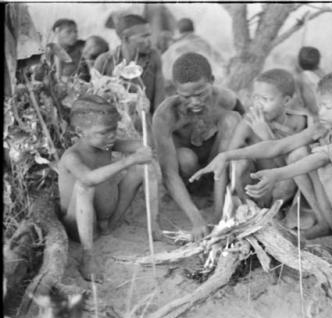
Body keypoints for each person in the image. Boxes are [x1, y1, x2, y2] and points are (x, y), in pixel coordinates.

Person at [192, 69, 332, 257]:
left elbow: (319, 158)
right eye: (320, 106)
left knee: (324, 169)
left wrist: (277, 174)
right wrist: (227, 156)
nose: (321, 112)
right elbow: (278, 147)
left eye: (328, 107)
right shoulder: (324, 126)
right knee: (311, 162)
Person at [58, 94, 160, 282]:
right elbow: (88, 178)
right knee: (84, 186)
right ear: (80, 132)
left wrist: (144, 117)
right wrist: (129, 159)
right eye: (104, 132)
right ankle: (87, 256)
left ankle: (153, 226)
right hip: (78, 228)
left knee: (143, 166)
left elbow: (144, 147)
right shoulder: (72, 157)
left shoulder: (106, 145)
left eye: (114, 129)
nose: (112, 136)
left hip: (108, 221)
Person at [152, 52, 244, 241]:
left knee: (233, 120)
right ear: (175, 89)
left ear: (212, 80)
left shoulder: (226, 99)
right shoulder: (165, 115)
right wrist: (197, 220)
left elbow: (247, 133)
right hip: (187, 177)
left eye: (201, 93)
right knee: (185, 157)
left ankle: (219, 207)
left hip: (217, 169)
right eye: (186, 96)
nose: (195, 102)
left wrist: (218, 217)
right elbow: (168, 173)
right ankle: (196, 199)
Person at [217, 68, 308, 209]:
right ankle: (249, 207)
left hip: (281, 188)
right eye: (256, 98)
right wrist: (218, 211)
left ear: (286, 100)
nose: (258, 105)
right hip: (253, 189)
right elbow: (227, 161)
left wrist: (267, 136)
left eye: (266, 99)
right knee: (238, 162)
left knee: (290, 176)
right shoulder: (249, 122)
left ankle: (277, 212)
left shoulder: (298, 123)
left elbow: (293, 166)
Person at [95, 14, 166, 115]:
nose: (150, 41)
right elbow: (94, 99)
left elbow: (160, 99)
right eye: (144, 36)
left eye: (149, 35)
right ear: (125, 38)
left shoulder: (153, 57)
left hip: (145, 122)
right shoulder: (105, 61)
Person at [161, 18, 226, 86]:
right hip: (208, 83)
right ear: (193, 29)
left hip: (183, 86)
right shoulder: (204, 43)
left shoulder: (173, 49)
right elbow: (221, 62)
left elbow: (163, 72)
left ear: (178, 31)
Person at [293, 46, 325, 116]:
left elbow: (300, 101)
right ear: (318, 62)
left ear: (299, 62)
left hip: (311, 112)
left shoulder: (300, 78)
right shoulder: (322, 75)